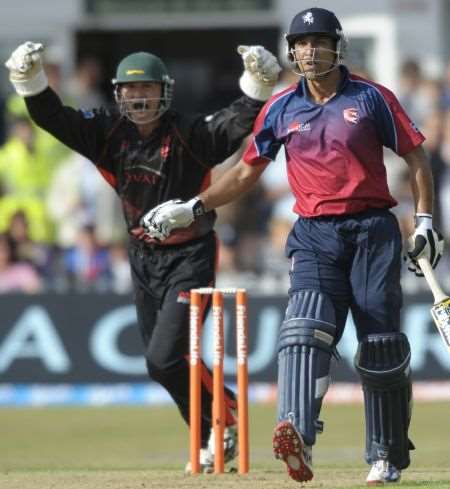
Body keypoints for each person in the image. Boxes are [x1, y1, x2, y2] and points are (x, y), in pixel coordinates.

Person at [140, 7, 445, 485]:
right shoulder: (281, 107)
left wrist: (425, 221)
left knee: (381, 349)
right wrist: (194, 206)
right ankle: (297, 433)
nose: (308, 50)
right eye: (301, 44)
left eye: (318, 42)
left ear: (336, 46)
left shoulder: (371, 98)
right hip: (314, 234)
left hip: (372, 231)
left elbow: (416, 157)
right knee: (301, 332)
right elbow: (245, 171)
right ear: (292, 50)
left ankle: (385, 453)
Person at [5, 41, 281, 471]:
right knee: (163, 365)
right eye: (130, 92)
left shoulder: (189, 133)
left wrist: (259, 82)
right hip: (142, 257)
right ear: (118, 94)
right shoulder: (107, 135)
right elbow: (52, 118)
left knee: (165, 357)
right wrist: (30, 81)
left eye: (147, 90)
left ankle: (225, 413)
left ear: (163, 92)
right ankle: (212, 430)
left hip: (191, 255)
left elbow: (236, 122)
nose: (138, 98)